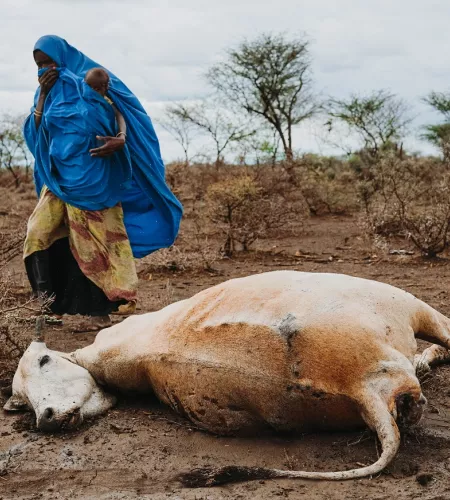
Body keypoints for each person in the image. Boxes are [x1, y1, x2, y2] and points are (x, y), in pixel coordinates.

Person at [23, 35, 183, 329]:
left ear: (62, 57)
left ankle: (99, 311)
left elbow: (121, 110)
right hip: (58, 179)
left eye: (49, 62)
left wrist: (121, 138)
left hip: (94, 178)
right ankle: (47, 305)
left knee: (92, 244)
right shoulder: (45, 92)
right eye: (39, 65)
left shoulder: (91, 79)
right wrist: (43, 95)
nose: (45, 69)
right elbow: (35, 131)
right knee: (38, 232)